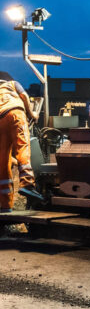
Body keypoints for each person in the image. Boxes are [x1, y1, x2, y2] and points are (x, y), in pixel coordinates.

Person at [0, 71, 45, 213]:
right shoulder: (13, 84)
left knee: (3, 161)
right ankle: (27, 184)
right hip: (15, 113)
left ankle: (6, 205)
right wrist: (32, 114)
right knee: (22, 147)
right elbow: (24, 96)